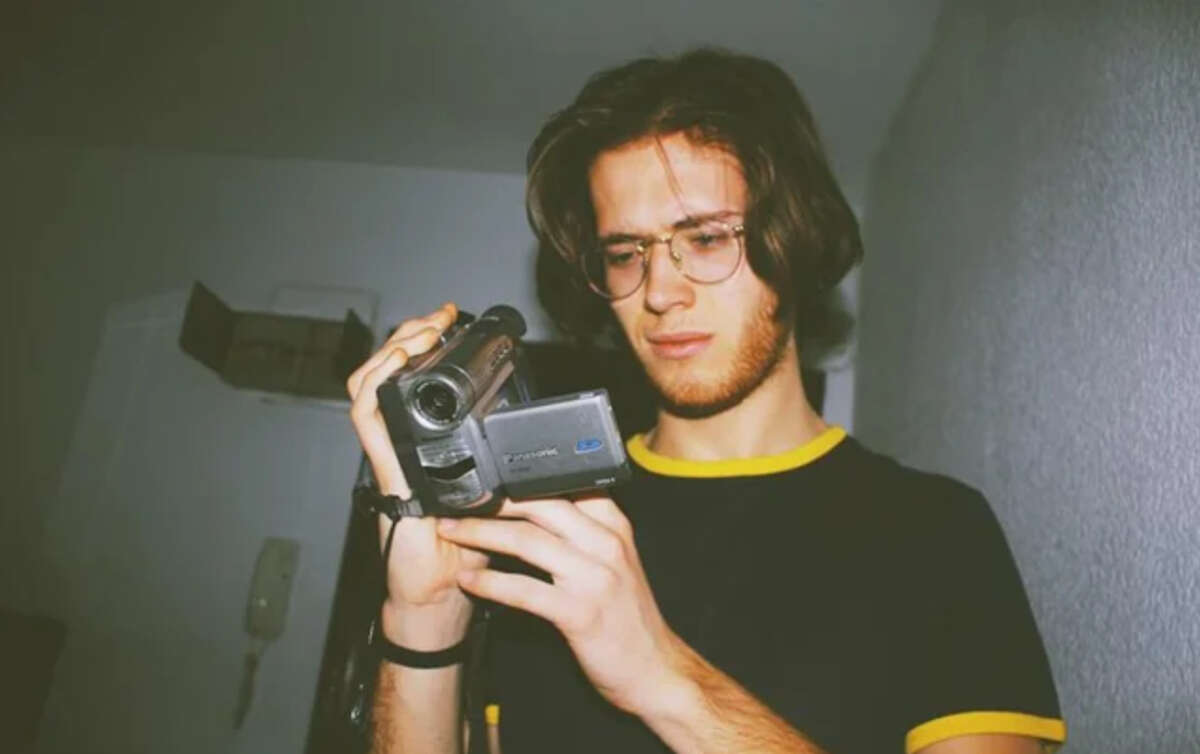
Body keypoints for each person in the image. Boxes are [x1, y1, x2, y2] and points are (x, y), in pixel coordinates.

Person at [347, 49, 1065, 754]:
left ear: (794, 239)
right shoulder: (544, 525)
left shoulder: (937, 532)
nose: (659, 291)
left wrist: (661, 676)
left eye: (708, 238)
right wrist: (424, 621)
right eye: (626, 254)